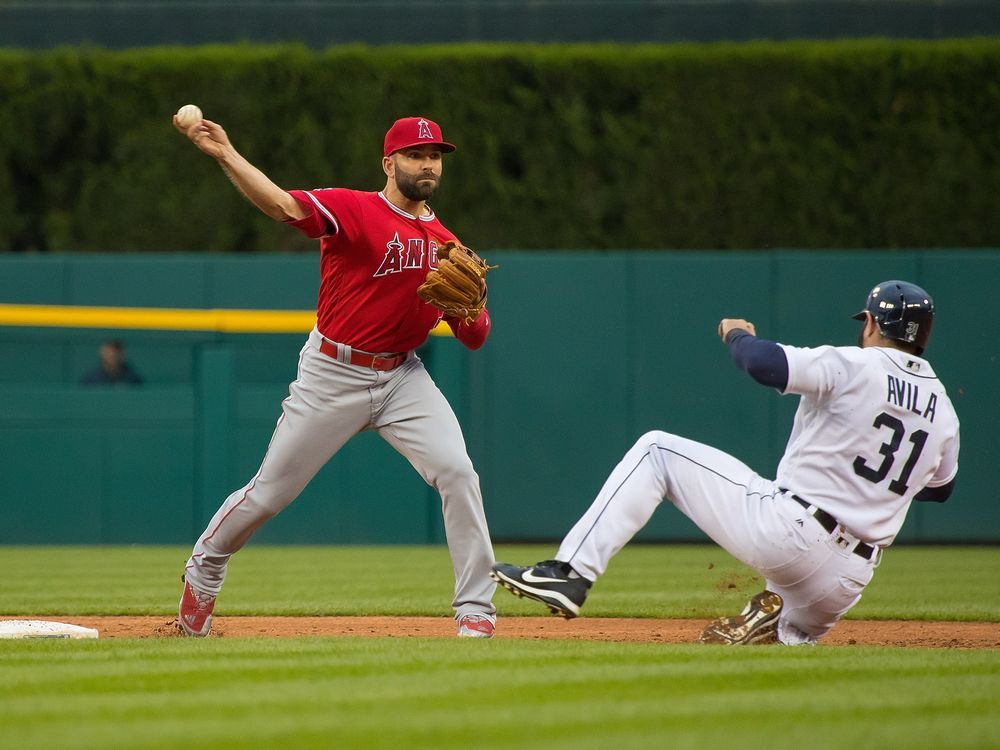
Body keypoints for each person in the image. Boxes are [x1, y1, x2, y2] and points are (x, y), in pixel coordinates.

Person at [172, 112, 497, 638]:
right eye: (416, 154)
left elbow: (475, 338)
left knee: (458, 472)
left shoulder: (447, 243)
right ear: (388, 162)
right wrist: (226, 154)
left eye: (435, 155)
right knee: (269, 495)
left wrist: (475, 306)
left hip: (402, 379)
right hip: (332, 372)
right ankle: (205, 568)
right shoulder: (353, 208)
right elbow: (281, 205)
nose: (428, 163)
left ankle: (476, 610)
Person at [492, 281, 959, 645]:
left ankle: (569, 574)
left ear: (874, 325)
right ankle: (779, 625)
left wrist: (737, 332)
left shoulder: (855, 364)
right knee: (783, 643)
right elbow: (939, 489)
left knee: (657, 451)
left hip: (792, 533)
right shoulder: (944, 410)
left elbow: (762, 364)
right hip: (846, 583)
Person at [79, 339, 144, 385]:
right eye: (110, 350)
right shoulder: (91, 379)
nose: (113, 354)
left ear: (123, 353)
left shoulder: (134, 379)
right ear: (102, 351)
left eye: (117, 350)